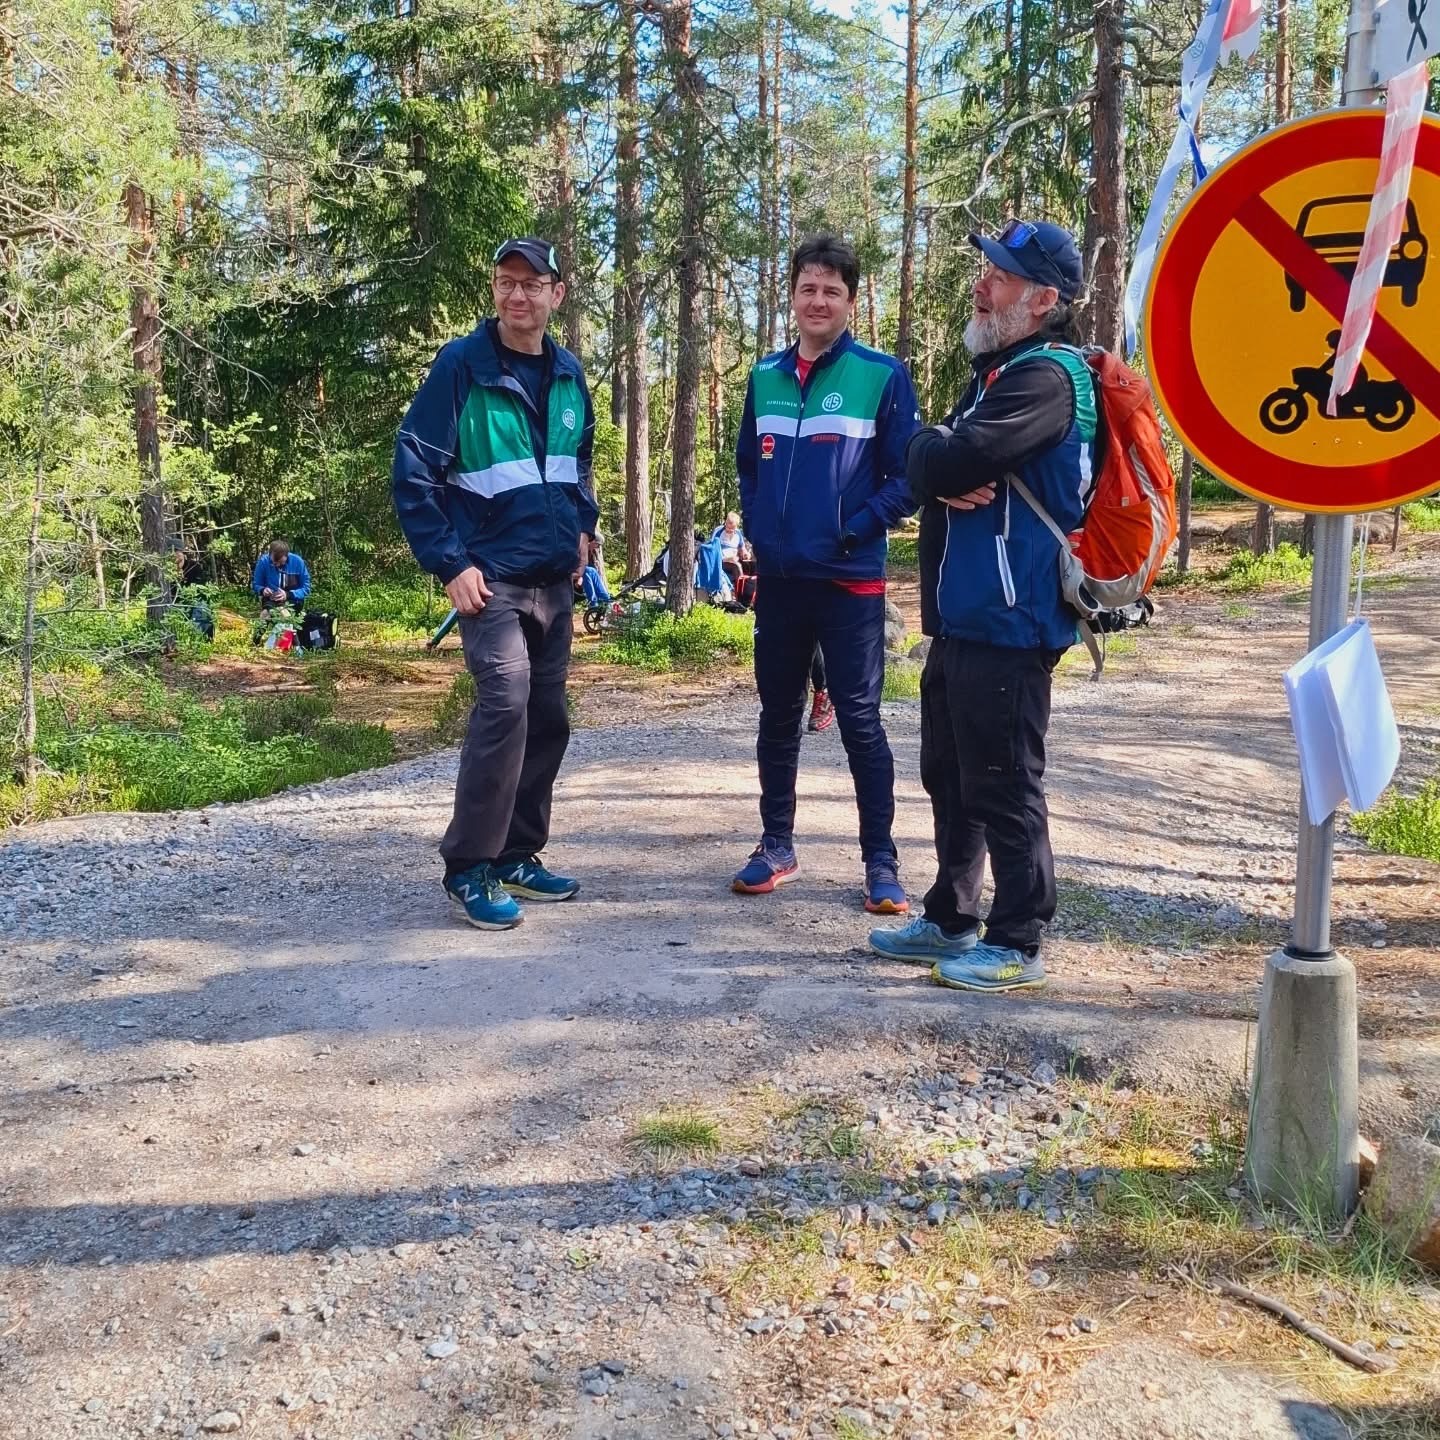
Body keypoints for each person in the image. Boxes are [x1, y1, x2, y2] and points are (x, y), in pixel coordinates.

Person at [870, 217, 1089, 993]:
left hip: (1012, 619)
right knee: (951, 773)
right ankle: (952, 917)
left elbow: (945, 461)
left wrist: (935, 456)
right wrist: (932, 453)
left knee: (1004, 780)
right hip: (966, 618)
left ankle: (1019, 938)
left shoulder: (1046, 379)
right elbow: (927, 458)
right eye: (986, 270)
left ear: (1043, 299)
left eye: (999, 275)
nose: (981, 285)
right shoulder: (998, 374)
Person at [392, 235, 597, 931]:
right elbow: (414, 470)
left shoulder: (568, 373)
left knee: (548, 716)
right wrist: (450, 564)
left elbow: (578, 463)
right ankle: (469, 866)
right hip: (490, 579)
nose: (518, 295)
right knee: (505, 707)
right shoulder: (463, 366)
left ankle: (516, 854)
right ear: (494, 290)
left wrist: (583, 526)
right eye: (507, 282)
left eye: (532, 284)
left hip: (553, 579)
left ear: (556, 295)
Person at [732, 233, 919, 913]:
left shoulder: (881, 375)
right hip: (781, 581)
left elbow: (908, 477)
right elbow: (749, 466)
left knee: (860, 720)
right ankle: (775, 846)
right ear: (792, 295)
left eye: (831, 291)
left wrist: (854, 530)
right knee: (778, 715)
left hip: (849, 581)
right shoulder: (764, 376)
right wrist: (760, 531)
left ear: (850, 301)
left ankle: (881, 862)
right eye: (808, 288)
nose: (818, 300)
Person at [251, 539, 311, 616]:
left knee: (284, 615)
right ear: (269, 555)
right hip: (271, 599)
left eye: (281, 563)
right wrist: (263, 590)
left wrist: (288, 594)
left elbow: (306, 588)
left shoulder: (298, 562)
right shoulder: (263, 562)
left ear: (287, 555)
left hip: (293, 599)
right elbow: (256, 584)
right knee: (265, 615)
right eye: (274, 563)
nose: (278, 565)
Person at [712, 512, 747, 592]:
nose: (730, 531)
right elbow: (711, 551)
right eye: (728, 528)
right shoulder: (718, 531)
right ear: (726, 523)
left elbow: (742, 548)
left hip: (734, 560)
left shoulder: (738, 533)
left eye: (732, 529)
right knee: (736, 566)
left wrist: (745, 553)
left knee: (751, 565)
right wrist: (727, 559)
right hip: (720, 562)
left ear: (736, 526)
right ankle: (740, 593)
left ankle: (749, 592)